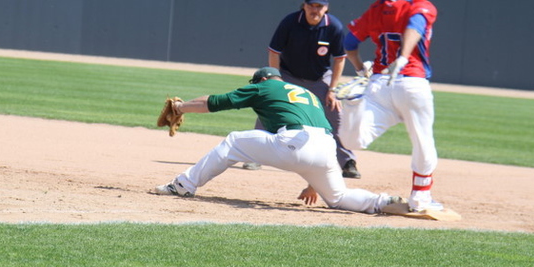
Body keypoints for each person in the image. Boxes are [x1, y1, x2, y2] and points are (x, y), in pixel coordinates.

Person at [153, 66, 400, 214]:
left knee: (233, 142)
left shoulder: (263, 87)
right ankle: (382, 202)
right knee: (338, 198)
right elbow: (315, 135)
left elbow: (214, 102)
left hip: (294, 142)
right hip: (327, 149)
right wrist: (313, 183)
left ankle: (184, 185)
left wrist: (180, 107)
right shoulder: (308, 94)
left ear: (261, 80)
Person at [339, 0, 444, 213]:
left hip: (379, 84)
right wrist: (404, 56)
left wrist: (358, 67)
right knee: (423, 142)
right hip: (412, 84)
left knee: (354, 141)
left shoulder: (380, 5)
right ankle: (420, 199)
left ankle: (352, 105)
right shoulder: (424, 6)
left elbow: (349, 42)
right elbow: (414, 26)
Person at [242, 0, 361, 179]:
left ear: (326, 8)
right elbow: (274, 52)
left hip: (319, 77)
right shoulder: (290, 22)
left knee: (335, 112)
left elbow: (340, 59)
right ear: (304, 6)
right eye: (311, 5)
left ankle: (347, 162)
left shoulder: (333, 26)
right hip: (289, 75)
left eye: (320, 6)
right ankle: (255, 155)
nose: (315, 10)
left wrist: (332, 90)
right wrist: (276, 82)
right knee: (271, 106)